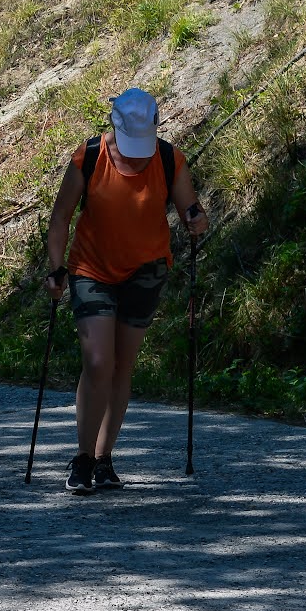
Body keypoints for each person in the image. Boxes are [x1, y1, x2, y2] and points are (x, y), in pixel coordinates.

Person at [43, 87, 208, 495]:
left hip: (146, 272)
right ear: (115, 126)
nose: (137, 152)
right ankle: (81, 458)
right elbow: (61, 217)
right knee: (99, 361)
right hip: (91, 270)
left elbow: (192, 210)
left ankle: (104, 459)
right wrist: (56, 268)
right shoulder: (90, 155)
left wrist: (196, 219)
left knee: (121, 366)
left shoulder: (170, 159)